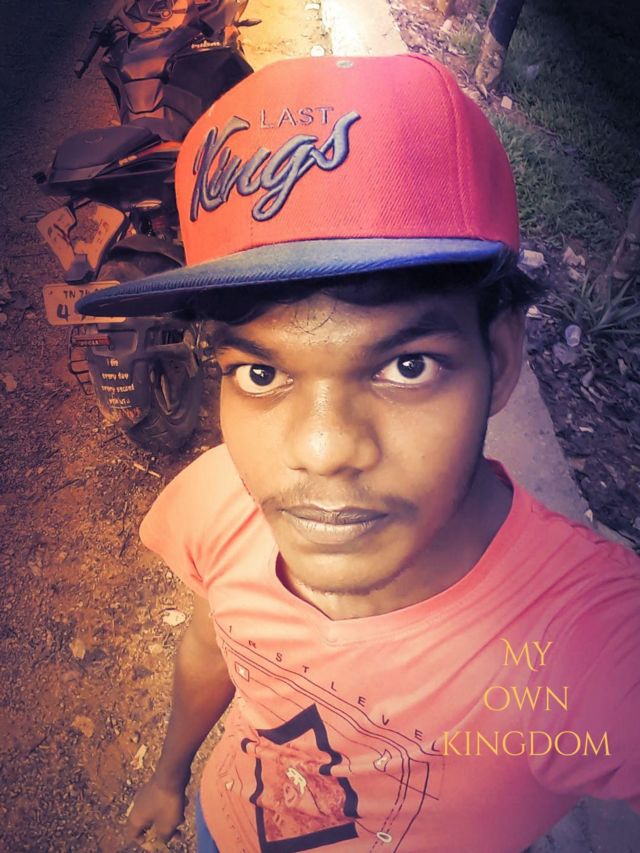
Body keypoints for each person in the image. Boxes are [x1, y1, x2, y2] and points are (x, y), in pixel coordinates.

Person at [78, 54, 640, 852]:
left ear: (501, 358)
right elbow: (215, 641)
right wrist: (170, 775)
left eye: (407, 366)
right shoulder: (221, 501)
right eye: (261, 373)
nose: (321, 451)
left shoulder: (581, 644)